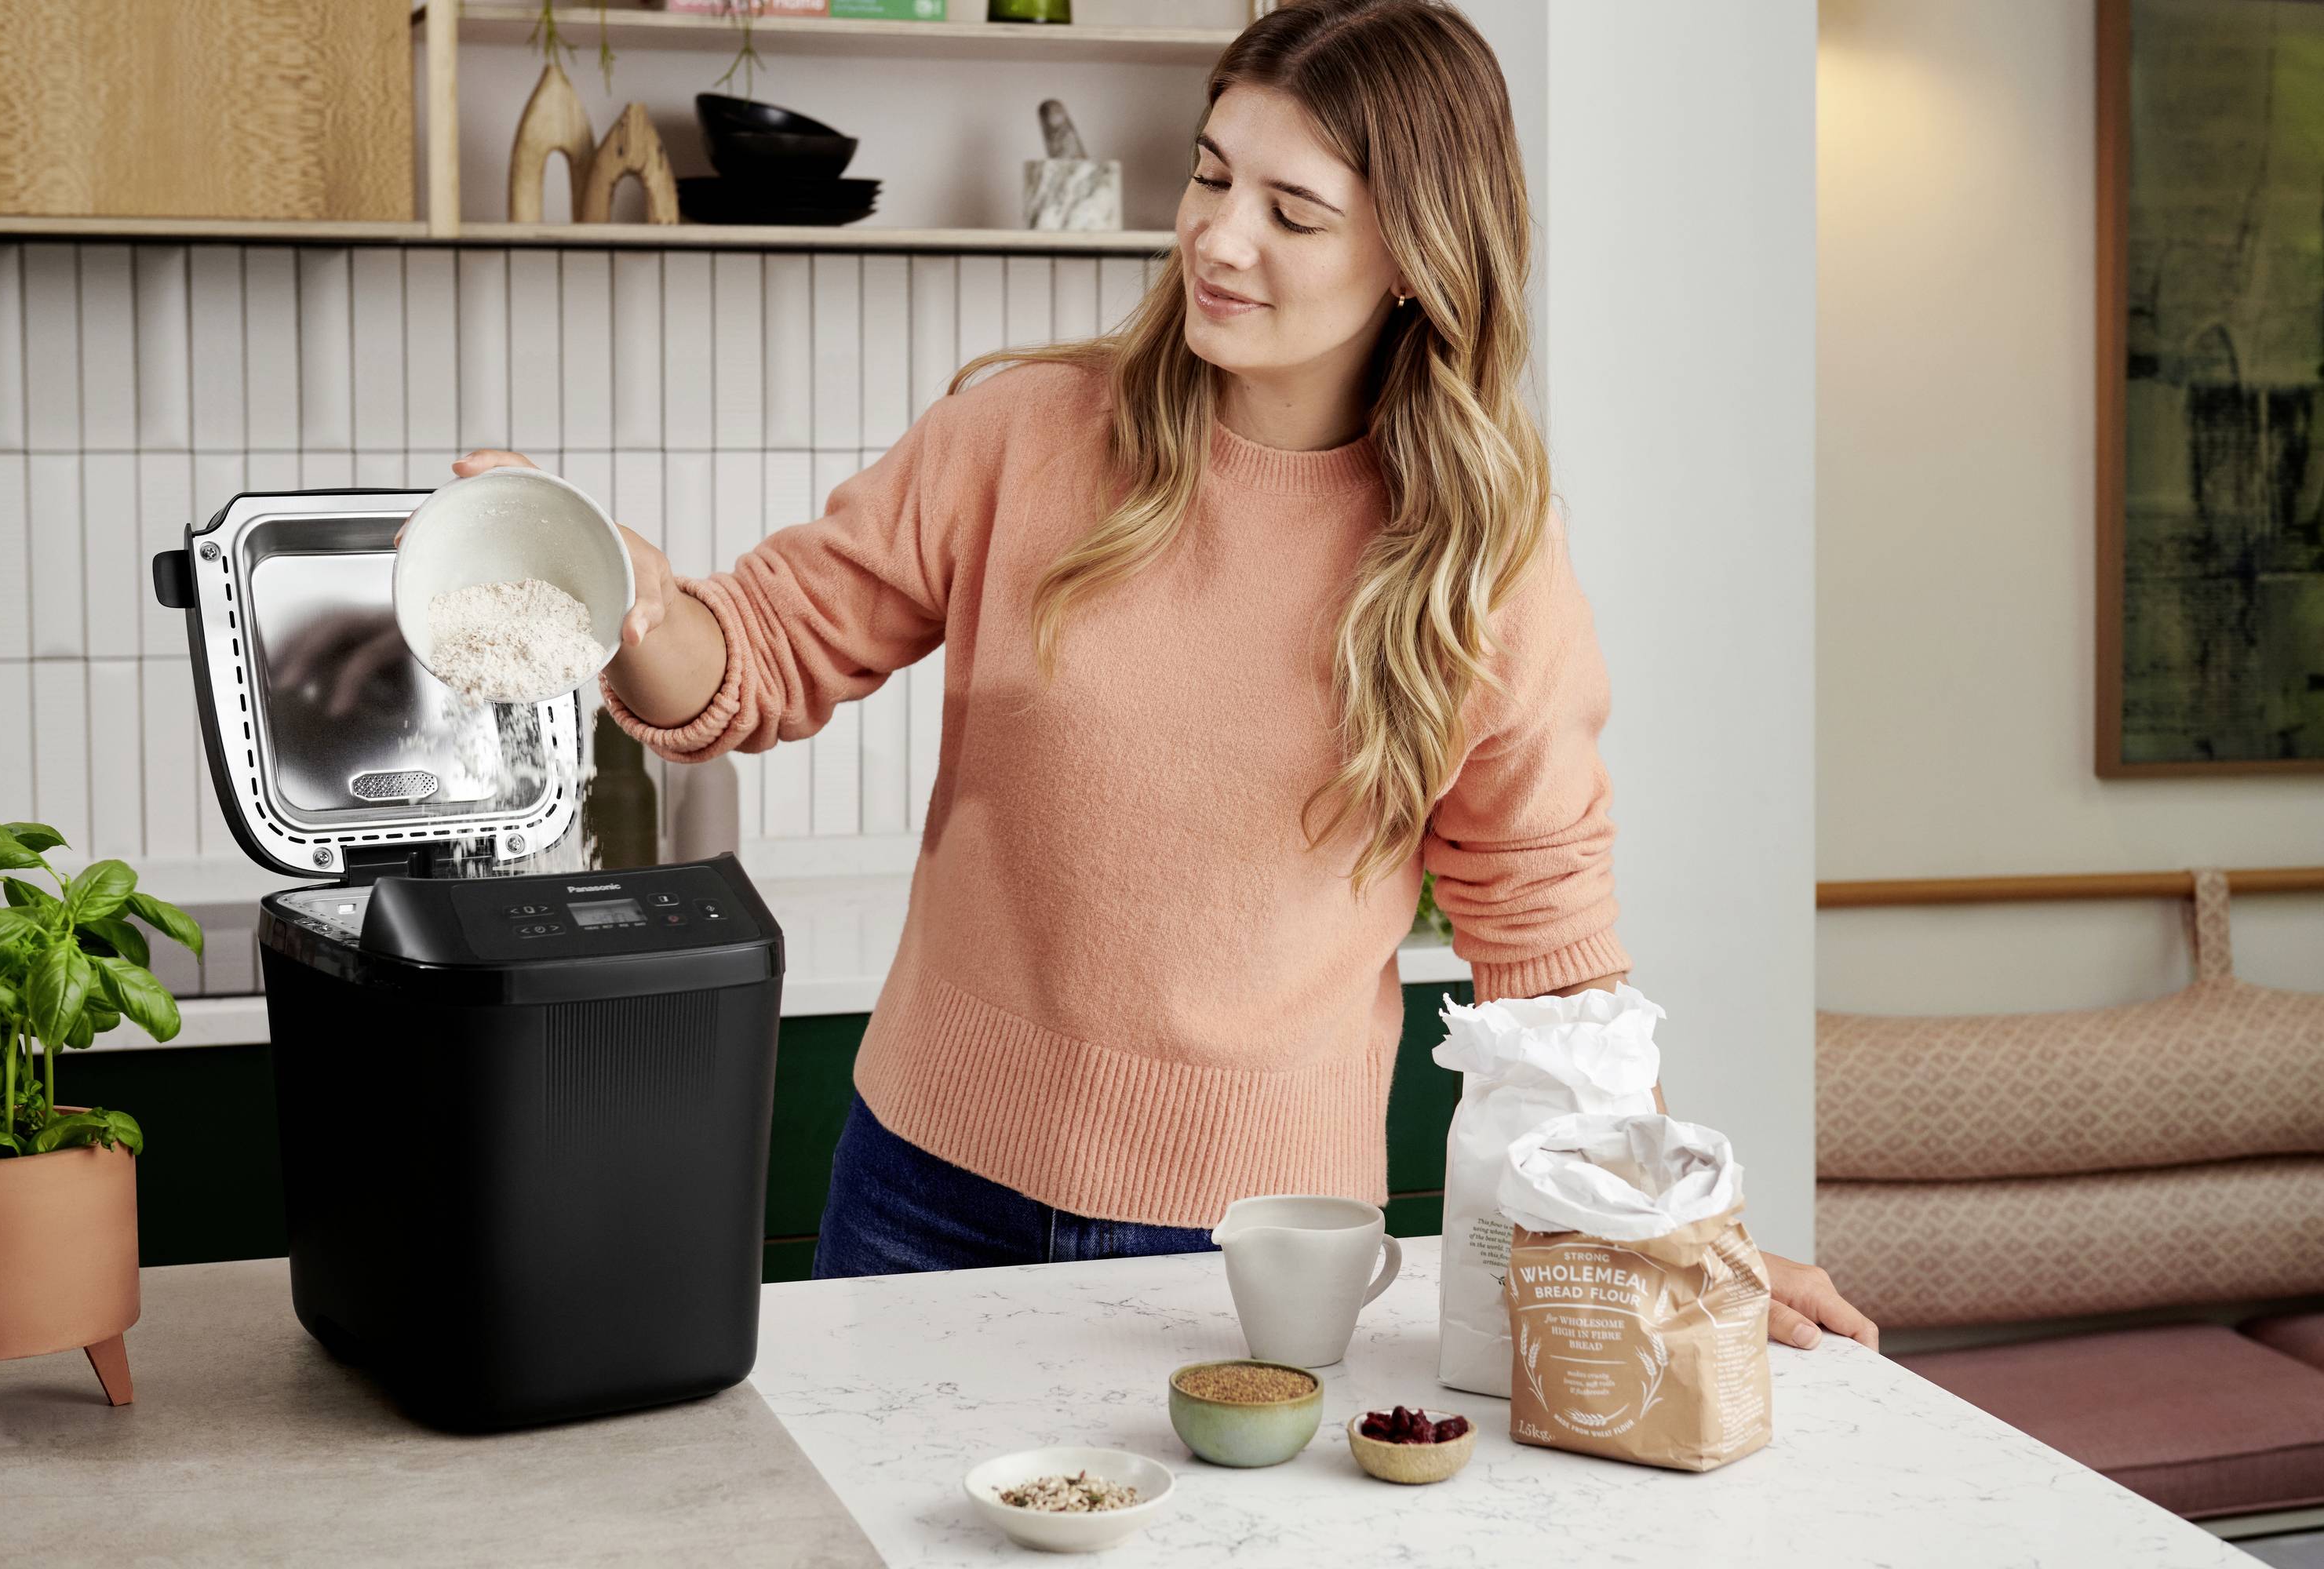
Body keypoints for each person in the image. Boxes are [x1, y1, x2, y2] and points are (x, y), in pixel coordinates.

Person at [453, 0, 1876, 1352]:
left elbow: (1551, 948)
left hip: (1262, 1249)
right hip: (923, 1195)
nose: (1217, 237)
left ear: (1415, 257)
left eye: (1292, 211)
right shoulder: (1020, 437)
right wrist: (627, 593)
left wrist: (1686, 1237)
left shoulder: (1481, 561)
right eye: (1210, 178)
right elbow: (762, 654)